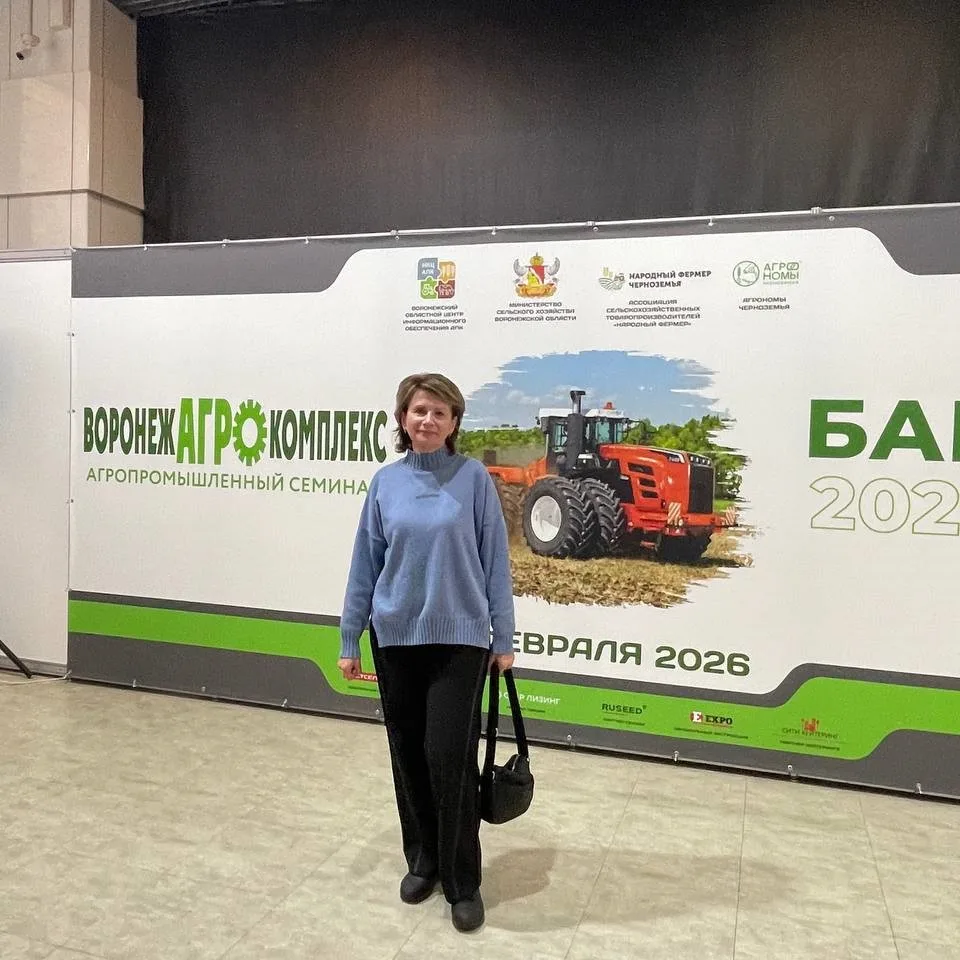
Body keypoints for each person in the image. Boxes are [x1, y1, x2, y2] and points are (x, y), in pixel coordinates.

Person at [338, 372, 516, 933]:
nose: (429, 420)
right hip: (395, 640)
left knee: (449, 758)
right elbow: (365, 564)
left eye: (441, 412)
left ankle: (463, 881)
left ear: (455, 422)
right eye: (419, 410)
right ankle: (423, 861)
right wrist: (349, 637)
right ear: (403, 418)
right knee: (408, 755)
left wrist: (504, 638)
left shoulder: (474, 480)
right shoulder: (385, 484)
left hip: (460, 641)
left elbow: (496, 560)